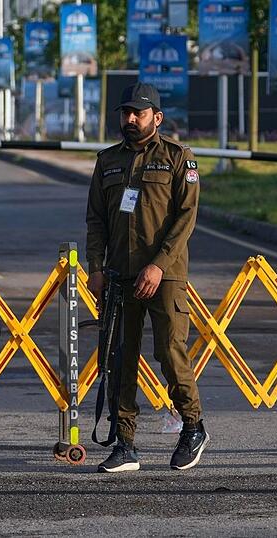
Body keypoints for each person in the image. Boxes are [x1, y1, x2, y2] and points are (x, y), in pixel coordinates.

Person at [86, 82, 207, 473]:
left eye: (138, 113)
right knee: (120, 358)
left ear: (157, 117)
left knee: (170, 351)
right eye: (125, 113)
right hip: (120, 275)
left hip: (164, 275)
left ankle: (193, 426)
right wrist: (96, 268)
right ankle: (125, 443)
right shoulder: (107, 161)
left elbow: (185, 219)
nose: (130, 119)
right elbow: (96, 221)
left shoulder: (177, 159)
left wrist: (159, 265)